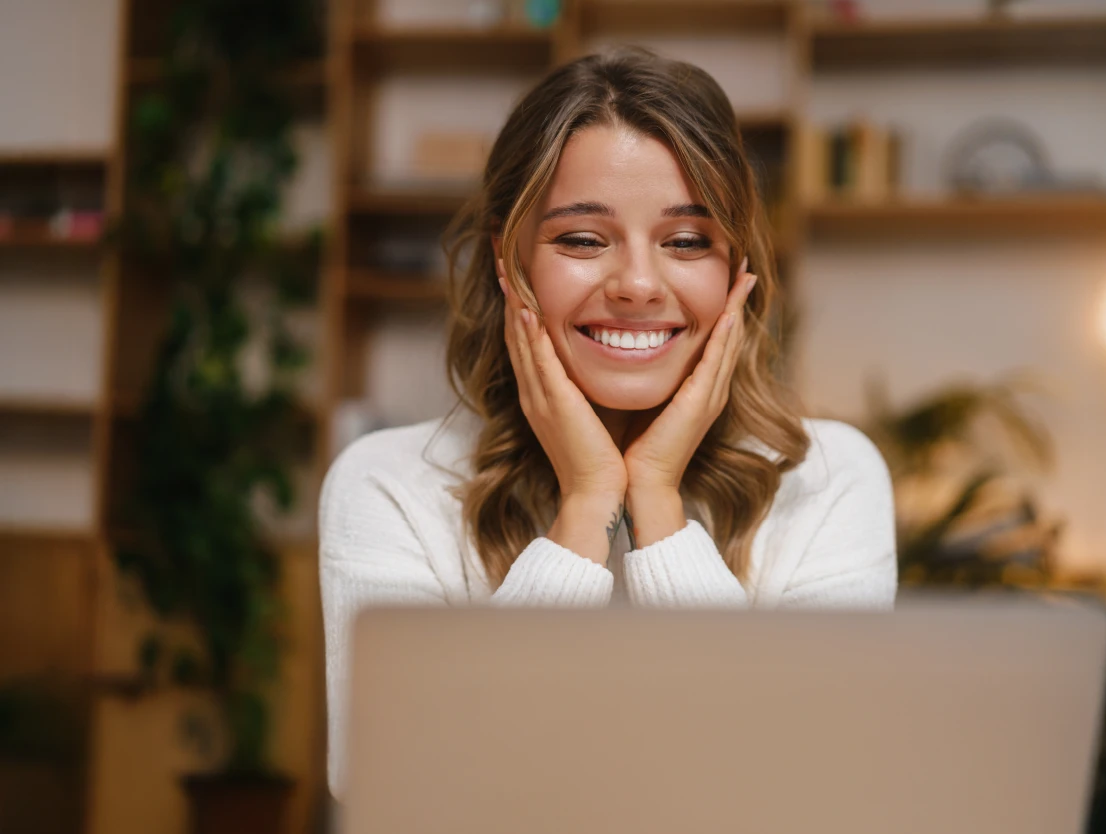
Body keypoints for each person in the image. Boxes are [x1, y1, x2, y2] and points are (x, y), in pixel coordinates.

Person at [318, 46, 897, 800]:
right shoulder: (389, 485)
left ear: (737, 265)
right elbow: (396, 788)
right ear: (509, 260)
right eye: (582, 239)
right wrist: (586, 506)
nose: (635, 285)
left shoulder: (829, 478)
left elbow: (818, 786)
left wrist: (657, 500)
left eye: (687, 241)